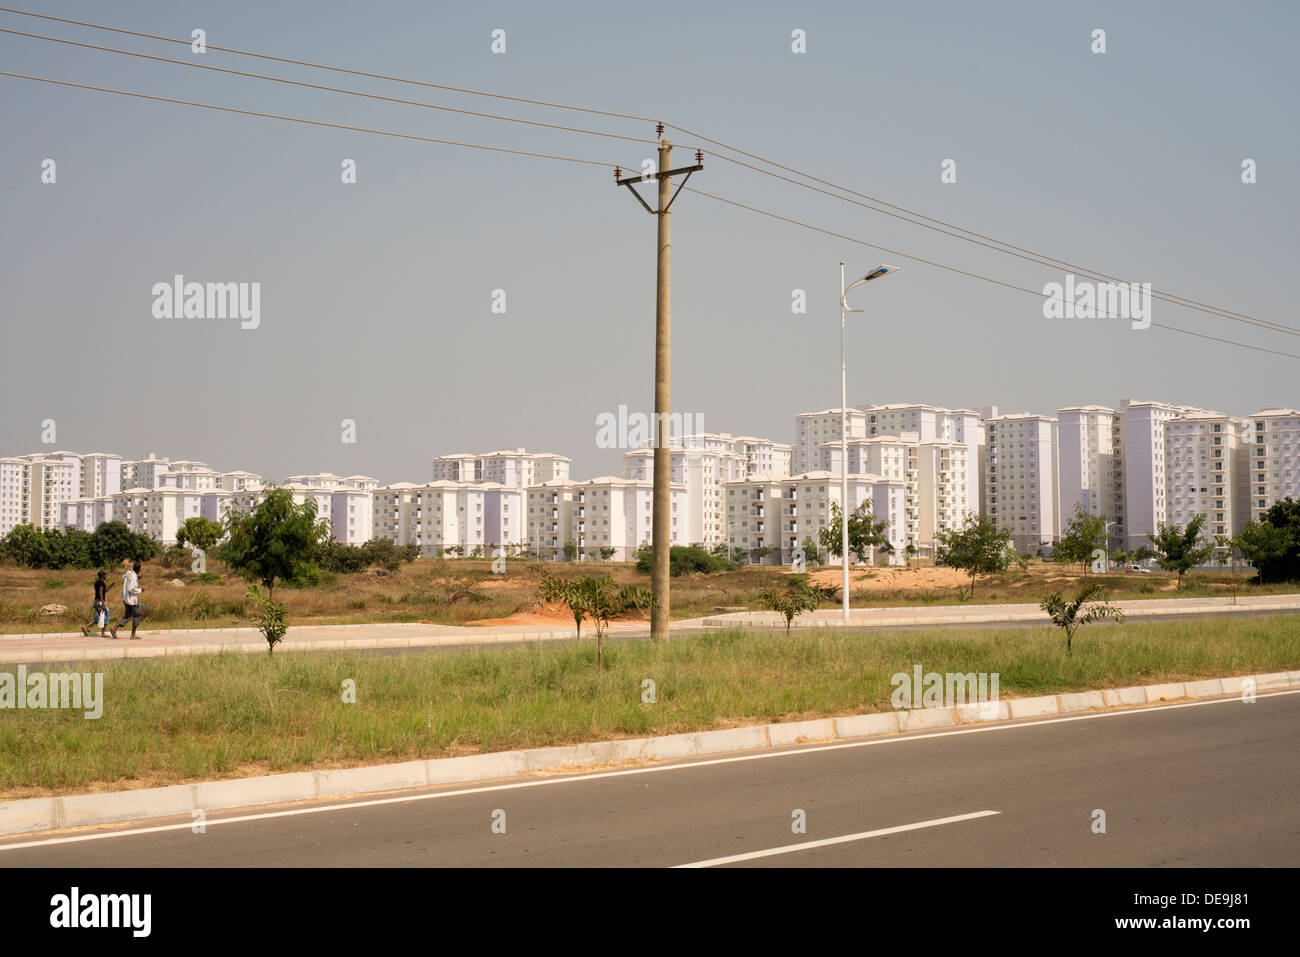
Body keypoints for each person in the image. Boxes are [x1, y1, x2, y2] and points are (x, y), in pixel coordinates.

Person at [110, 559, 145, 640]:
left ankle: (114, 628)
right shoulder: (133, 577)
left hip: (125, 598)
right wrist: (140, 590)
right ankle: (133, 635)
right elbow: (130, 589)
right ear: (139, 570)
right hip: (132, 600)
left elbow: (124, 578)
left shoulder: (128, 573)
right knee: (137, 615)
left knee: (128, 616)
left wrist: (137, 578)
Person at [80, 570, 110, 637]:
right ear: (102, 575)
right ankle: (102, 633)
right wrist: (103, 604)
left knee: (99, 617)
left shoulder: (97, 582)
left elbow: (103, 592)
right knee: (106, 616)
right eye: (105, 575)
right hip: (100, 602)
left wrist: (111, 586)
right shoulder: (101, 583)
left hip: (96, 602)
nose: (106, 576)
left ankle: (86, 627)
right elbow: (100, 593)